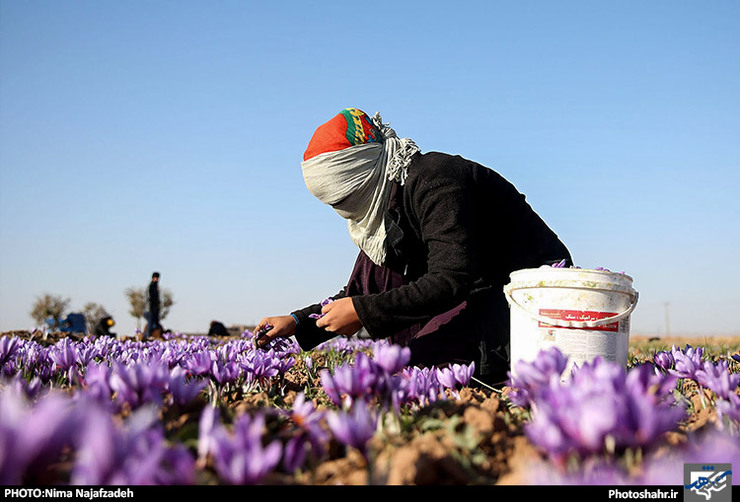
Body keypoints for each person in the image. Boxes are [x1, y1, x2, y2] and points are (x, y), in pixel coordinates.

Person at [255, 108, 572, 385]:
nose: (342, 210)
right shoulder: (386, 205)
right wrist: (298, 322)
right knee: (376, 263)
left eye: (342, 199)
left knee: (418, 369)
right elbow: (361, 291)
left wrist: (364, 313)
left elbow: (453, 276)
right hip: (474, 286)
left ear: (362, 175)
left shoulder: (435, 181)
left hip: (524, 293)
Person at [145, 272, 162, 338]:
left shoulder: (155, 286)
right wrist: (152, 307)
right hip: (149, 308)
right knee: (150, 321)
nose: (157, 279)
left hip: (154, 308)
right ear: (153, 278)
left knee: (156, 325)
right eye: (156, 278)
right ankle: (147, 335)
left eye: (158, 278)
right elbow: (149, 298)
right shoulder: (151, 286)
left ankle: (154, 335)